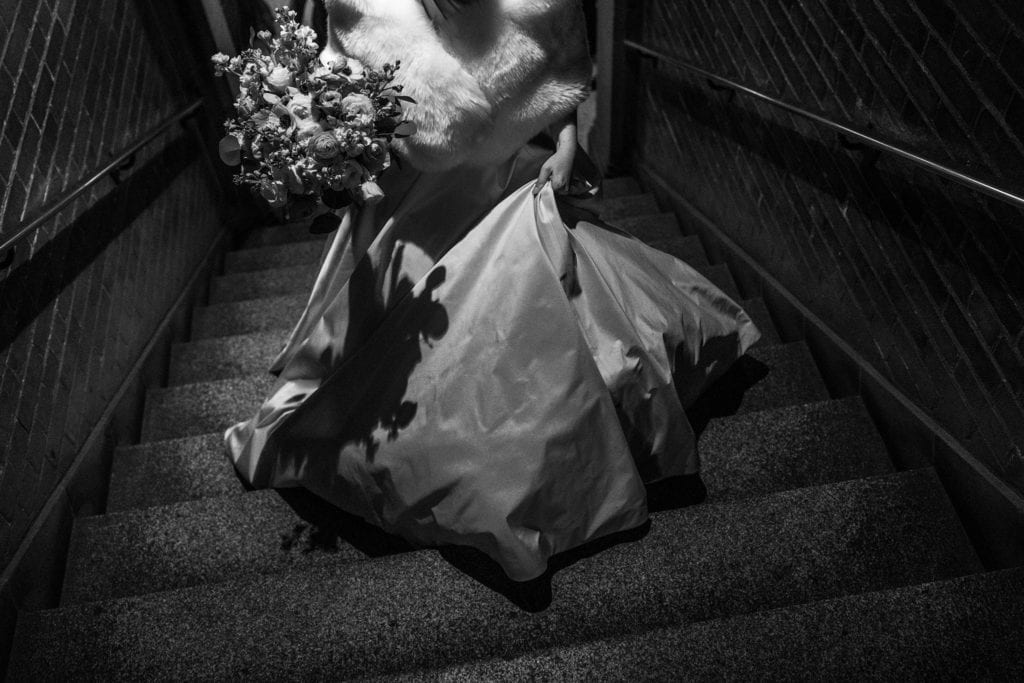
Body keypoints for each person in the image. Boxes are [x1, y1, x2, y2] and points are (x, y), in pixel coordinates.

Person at [225, 0, 761, 583]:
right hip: (408, 207)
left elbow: (559, 71)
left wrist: (564, 142)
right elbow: (336, 77)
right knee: (406, 359)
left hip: (508, 183)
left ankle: (551, 465)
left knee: (534, 325)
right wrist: (329, 148)